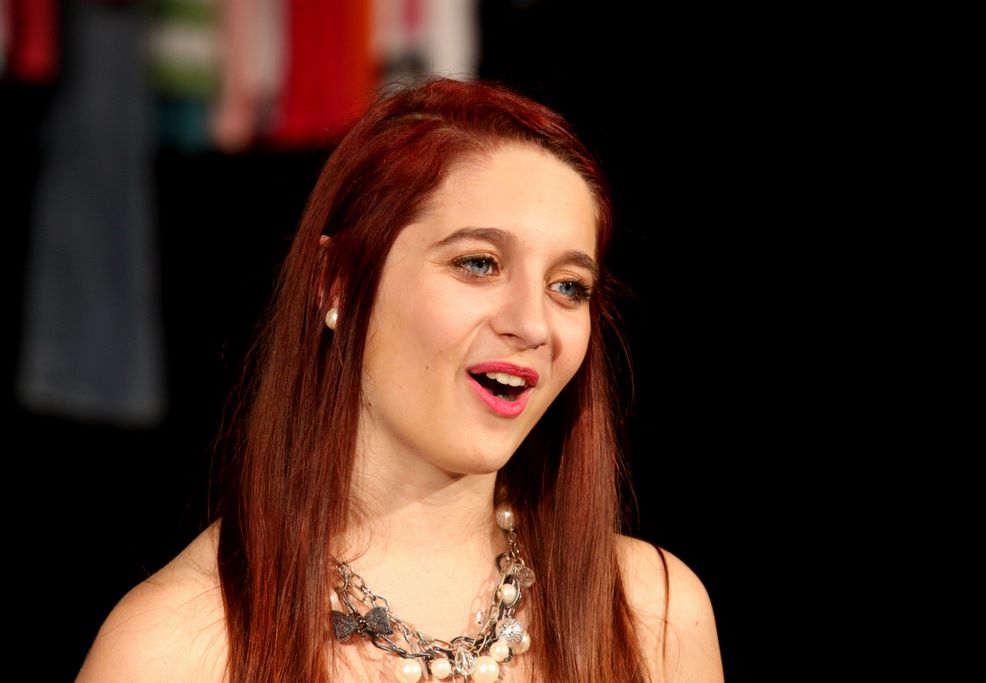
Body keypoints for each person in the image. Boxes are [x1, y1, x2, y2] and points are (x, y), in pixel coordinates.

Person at [75, 77, 724, 683]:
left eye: (569, 286)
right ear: (336, 282)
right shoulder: (174, 647)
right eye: (479, 263)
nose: (533, 324)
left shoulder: (655, 613)